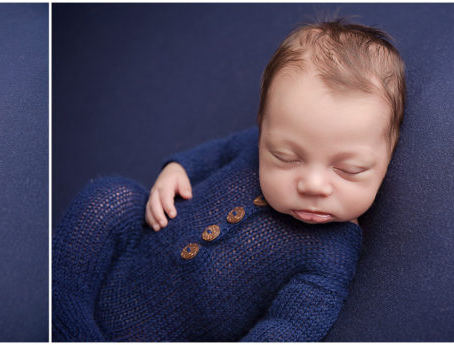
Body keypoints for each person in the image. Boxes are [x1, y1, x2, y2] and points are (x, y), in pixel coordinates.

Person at [53, 18, 406, 341]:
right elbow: (217, 153)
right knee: (111, 196)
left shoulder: (331, 254)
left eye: (349, 170)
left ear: (387, 160)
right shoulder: (255, 146)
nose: (313, 185)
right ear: (264, 128)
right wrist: (178, 170)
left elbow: (289, 327)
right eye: (285, 157)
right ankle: (62, 307)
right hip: (125, 265)